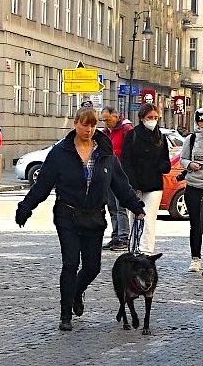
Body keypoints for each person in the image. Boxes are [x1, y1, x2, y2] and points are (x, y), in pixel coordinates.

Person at [15, 107, 145, 331]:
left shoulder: (105, 153)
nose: (89, 129)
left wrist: (136, 207)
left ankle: (76, 292)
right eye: (84, 124)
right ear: (75, 123)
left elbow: (121, 185)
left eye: (93, 125)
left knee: (92, 267)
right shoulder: (59, 153)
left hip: (94, 217)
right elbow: (43, 185)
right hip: (68, 216)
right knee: (70, 263)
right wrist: (25, 208)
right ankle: (65, 314)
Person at [120, 104, 171, 253]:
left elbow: (166, 160)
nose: (153, 120)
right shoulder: (132, 135)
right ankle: (133, 248)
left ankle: (146, 251)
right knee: (134, 217)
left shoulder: (160, 136)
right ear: (142, 118)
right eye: (150, 117)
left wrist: (161, 166)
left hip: (154, 184)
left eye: (156, 117)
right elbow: (126, 161)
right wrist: (133, 184)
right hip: (135, 184)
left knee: (149, 219)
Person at [180, 106, 203, 276]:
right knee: (195, 224)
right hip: (193, 185)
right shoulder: (191, 138)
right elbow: (182, 158)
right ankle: (195, 258)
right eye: (200, 120)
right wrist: (189, 164)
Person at [100, 107, 134, 251]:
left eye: (108, 120)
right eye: (104, 120)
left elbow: (131, 152)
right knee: (112, 207)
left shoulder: (127, 129)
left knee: (121, 208)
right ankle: (115, 236)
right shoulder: (105, 133)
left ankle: (123, 238)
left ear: (116, 116)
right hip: (108, 174)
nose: (106, 123)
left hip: (121, 175)